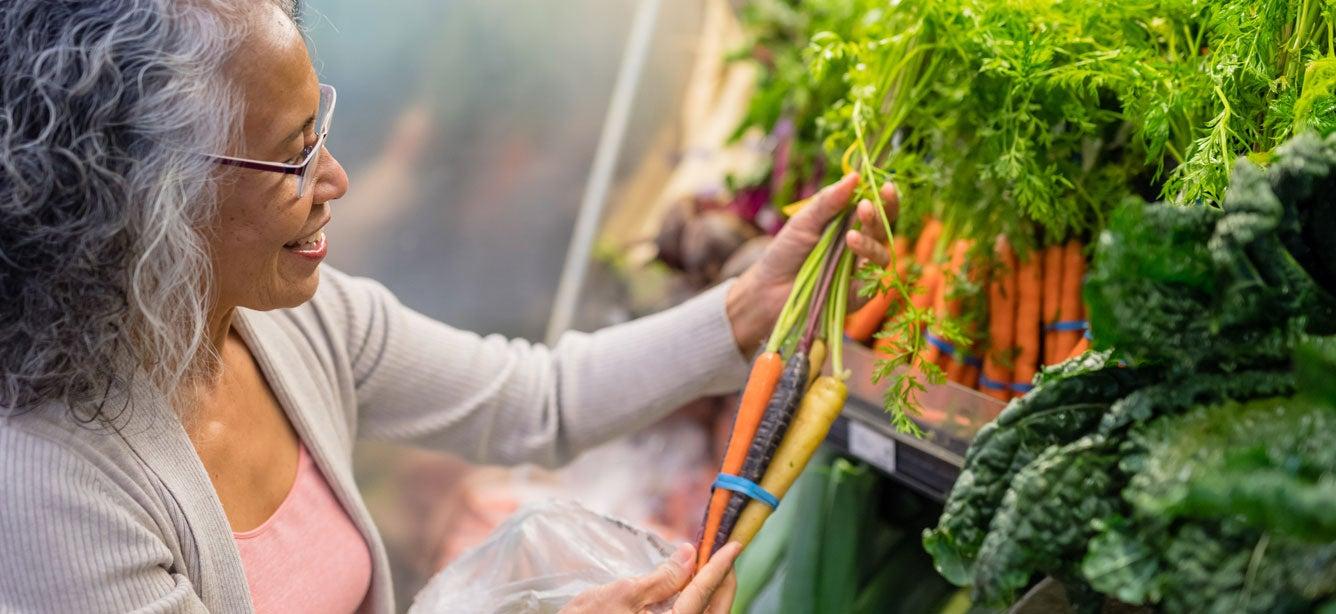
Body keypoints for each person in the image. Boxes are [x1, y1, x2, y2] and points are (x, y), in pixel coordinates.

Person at [0, 1, 895, 612]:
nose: (336, 179)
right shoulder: (49, 484)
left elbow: (535, 399)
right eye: (294, 154)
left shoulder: (294, 322)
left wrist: (745, 310)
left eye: (321, 131)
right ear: (149, 197)